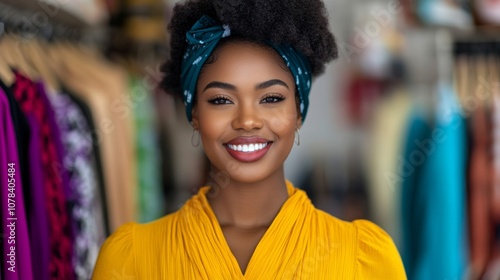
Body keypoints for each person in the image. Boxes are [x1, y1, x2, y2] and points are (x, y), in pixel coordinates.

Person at [92, 0, 407, 278]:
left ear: (298, 112)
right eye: (221, 100)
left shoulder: (365, 261)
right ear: (195, 115)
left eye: (270, 98)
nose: (247, 121)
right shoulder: (129, 261)